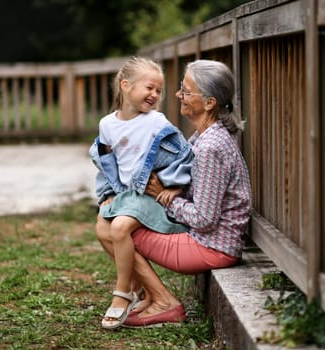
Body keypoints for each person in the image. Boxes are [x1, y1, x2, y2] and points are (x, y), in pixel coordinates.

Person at [96, 59, 252, 328]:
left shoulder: (211, 147)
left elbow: (204, 219)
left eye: (187, 91)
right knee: (106, 224)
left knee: (114, 229)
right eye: (181, 88)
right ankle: (150, 296)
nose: (178, 95)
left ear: (210, 102)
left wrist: (161, 194)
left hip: (212, 246)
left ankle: (161, 301)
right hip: (202, 237)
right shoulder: (203, 136)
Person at [89, 56, 193, 329]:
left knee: (120, 228)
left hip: (150, 197)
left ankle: (123, 292)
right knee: (102, 229)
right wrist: (108, 194)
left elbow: (185, 155)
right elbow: (106, 164)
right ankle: (142, 289)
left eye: (158, 90)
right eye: (149, 88)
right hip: (126, 195)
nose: (155, 95)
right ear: (125, 85)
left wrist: (174, 184)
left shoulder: (157, 122)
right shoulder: (107, 125)